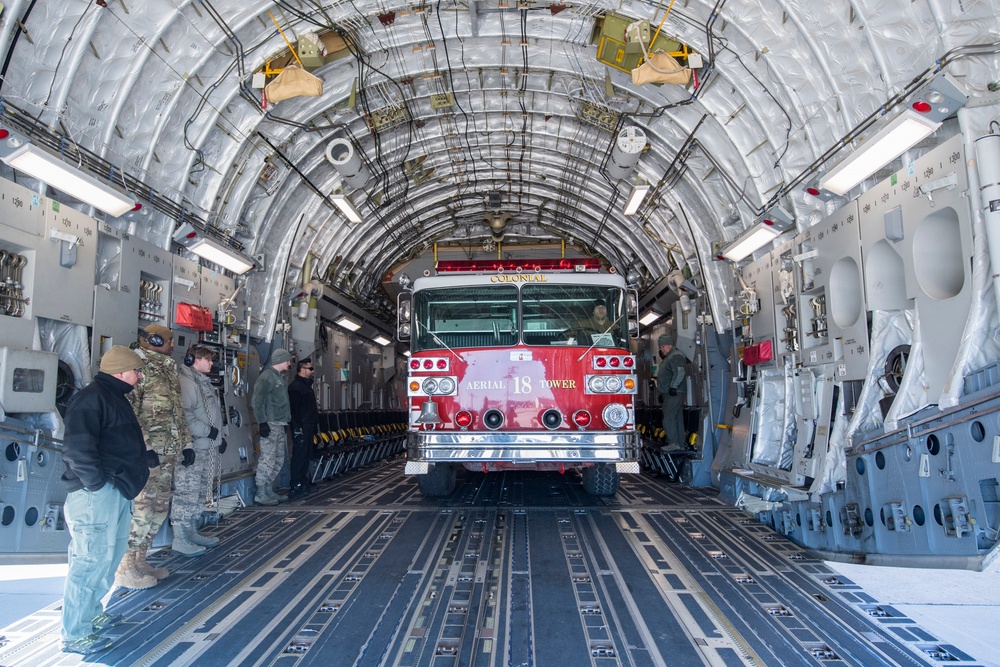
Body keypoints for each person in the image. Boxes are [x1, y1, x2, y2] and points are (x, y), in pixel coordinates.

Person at [60, 345, 159, 655]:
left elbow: (113, 442)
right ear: (119, 372)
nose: (140, 376)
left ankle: (92, 614)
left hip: (115, 492)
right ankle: (75, 632)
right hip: (96, 496)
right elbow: (77, 450)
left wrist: (141, 459)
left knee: (109, 558)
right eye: (136, 371)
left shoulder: (114, 397)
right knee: (89, 563)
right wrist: (98, 485)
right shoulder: (91, 399)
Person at [115, 323, 193, 589]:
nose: (173, 345)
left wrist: (186, 444)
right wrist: (144, 448)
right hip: (149, 453)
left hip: (168, 451)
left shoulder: (168, 368)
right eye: (169, 341)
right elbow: (130, 413)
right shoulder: (139, 369)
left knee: (158, 508)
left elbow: (176, 411)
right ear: (156, 340)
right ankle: (125, 566)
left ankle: (140, 560)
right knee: (142, 507)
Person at [171, 344, 225, 556]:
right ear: (193, 360)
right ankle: (180, 538)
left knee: (200, 491)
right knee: (186, 492)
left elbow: (212, 413)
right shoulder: (187, 383)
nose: (211, 363)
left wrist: (220, 437)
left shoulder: (203, 383)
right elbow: (184, 415)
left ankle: (192, 532)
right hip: (194, 446)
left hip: (207, 446)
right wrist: (207, 432)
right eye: (208, 359)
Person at [252, 348, 293, 505]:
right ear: (281, 360)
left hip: (279, 423)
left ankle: (268, 489)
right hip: (270, 423)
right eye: (287, 360)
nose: (289, 363)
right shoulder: (266, 378)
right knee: (268, 459)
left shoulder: (278, 377)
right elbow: (257, 401)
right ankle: (261, 493)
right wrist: (262, 422)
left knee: (278, 459)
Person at [287, 358, 319, 498]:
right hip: (301, 427)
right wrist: (297, 428)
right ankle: (296, 484)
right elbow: (294, 411)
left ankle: (303, 481)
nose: (312, 371)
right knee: (299, 456)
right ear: (302, 369)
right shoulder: (295, 387)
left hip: (309, 425)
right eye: (310, 369)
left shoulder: (306, 386)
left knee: (306, 455)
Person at [657, 332, 688, 451]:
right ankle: (680, 444)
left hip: (674, 392)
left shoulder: (676, 355)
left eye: (661, 347)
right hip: (670, 392)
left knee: (668, 418)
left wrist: (673, 387)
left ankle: (673, 443)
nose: (661, 350)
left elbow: (679, 372)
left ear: (667, 345)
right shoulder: (670, 356)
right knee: (676, 417)